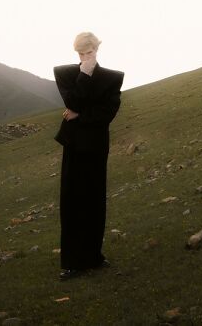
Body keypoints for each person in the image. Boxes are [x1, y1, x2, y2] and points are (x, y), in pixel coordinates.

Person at [54, 32, 124, 280]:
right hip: (74, 146)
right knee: (72, 202)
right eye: (81, 54)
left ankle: (94, 256)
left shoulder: (113, 78)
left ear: (97, 49)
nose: (85, 57)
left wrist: (80, 116)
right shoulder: (64, 73)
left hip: (95, 147)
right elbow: (72, 100)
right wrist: (84, 73)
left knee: (95, 201)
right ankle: (73, 262)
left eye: (89, 52)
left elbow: (107, 113)